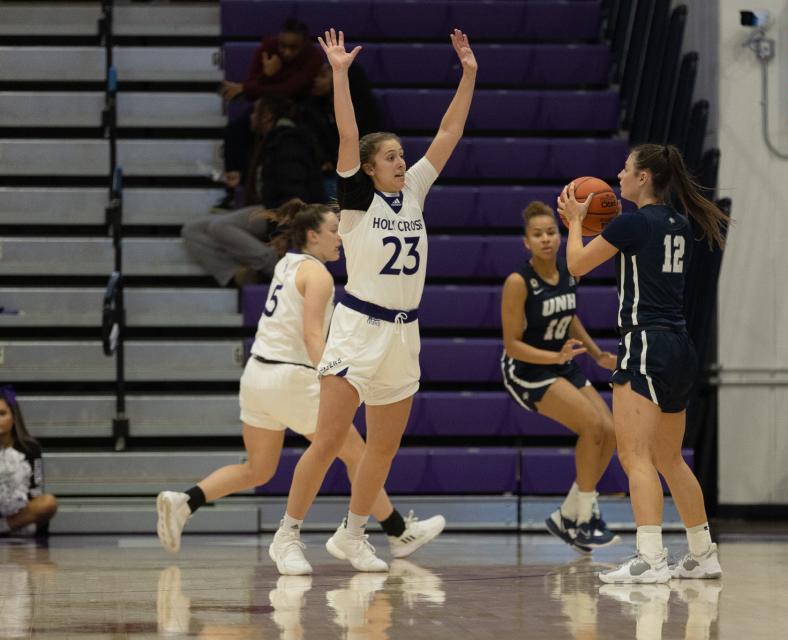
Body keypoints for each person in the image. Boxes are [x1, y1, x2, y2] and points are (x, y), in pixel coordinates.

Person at [268, 28, 477, 575]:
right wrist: (338, 75)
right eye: (390, 156)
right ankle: (288, 536)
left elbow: (450, 131)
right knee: (330, 438)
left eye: (402, 155)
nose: (402, 161)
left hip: (405, 333)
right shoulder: (357, 200)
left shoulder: (415, 192)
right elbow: (348, 131)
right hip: (359, 327)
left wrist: (469, 74)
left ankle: (354, 534)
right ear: (368, 168)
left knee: (382, 447)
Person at [159, 200, 445, 561]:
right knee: (357, 454)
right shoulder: (319, 276)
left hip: (257, 376)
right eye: (332, 230)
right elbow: (312, 336)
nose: (340, 237)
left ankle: (185, 500)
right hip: (291, 376)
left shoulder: (286, 264)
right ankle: (399, 533)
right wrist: (333, 374)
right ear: (312, 235)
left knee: (258, 468)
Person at [557, 144, 729, 584]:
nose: (618, 175)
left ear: (644, 178)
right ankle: (702, 553)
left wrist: (576, 223)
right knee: (671, 458)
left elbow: (575, 264)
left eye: (626, 169)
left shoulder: (632, 223)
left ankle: (650, 557)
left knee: (635, 456)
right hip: (678, 344)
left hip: (646, 343)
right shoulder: (678, 223)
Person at [500, 201, 620, 551]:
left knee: (611, 433)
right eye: (537, 235)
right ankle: (582, 517)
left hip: (560, 361)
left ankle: (568, 513)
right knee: (592, 427)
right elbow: (511, 345)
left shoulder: (570, 271)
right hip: (526, 370)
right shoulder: (518, 282)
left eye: (551, 232)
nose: (546, 239)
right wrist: (556, 355)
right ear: (526, 242)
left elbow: (568, 315)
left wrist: (597, 354)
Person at [182, 94, 325, 286]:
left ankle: (276, 266)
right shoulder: (270, 139)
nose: (251, 117)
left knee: (220, 226)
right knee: (192, 230)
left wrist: (283, 233)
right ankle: (239, 274)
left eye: (254, 112)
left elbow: (295, 194)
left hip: (287, 215)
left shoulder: (289, 142)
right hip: (268, 209)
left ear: (266, 116)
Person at [220, 18, 324, 208]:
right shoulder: (268, 47)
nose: (286, 52)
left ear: (305, 45)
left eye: (293, 48)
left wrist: (250, 86)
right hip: (266, 105)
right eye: (283, 46)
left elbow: (291, 89)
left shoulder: (313, 56)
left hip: (298, 109)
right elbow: (252, 90)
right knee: (235, 130)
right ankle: (234, 188)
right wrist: (265, 76)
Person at [299, 62, 384, 204]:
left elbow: (371, 142)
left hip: (360, 169)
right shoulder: (312, 107)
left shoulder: (367, 107)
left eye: (322, 76)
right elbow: (312, 141)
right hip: (326, 172)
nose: (316, 81)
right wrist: (324, 160)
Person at [0, 385, 57, 536]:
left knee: (48, 502)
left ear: (13, 416)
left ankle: (4, 527)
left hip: (20, 513)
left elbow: (37, 485)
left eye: (1, 414)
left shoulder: (31, 448)